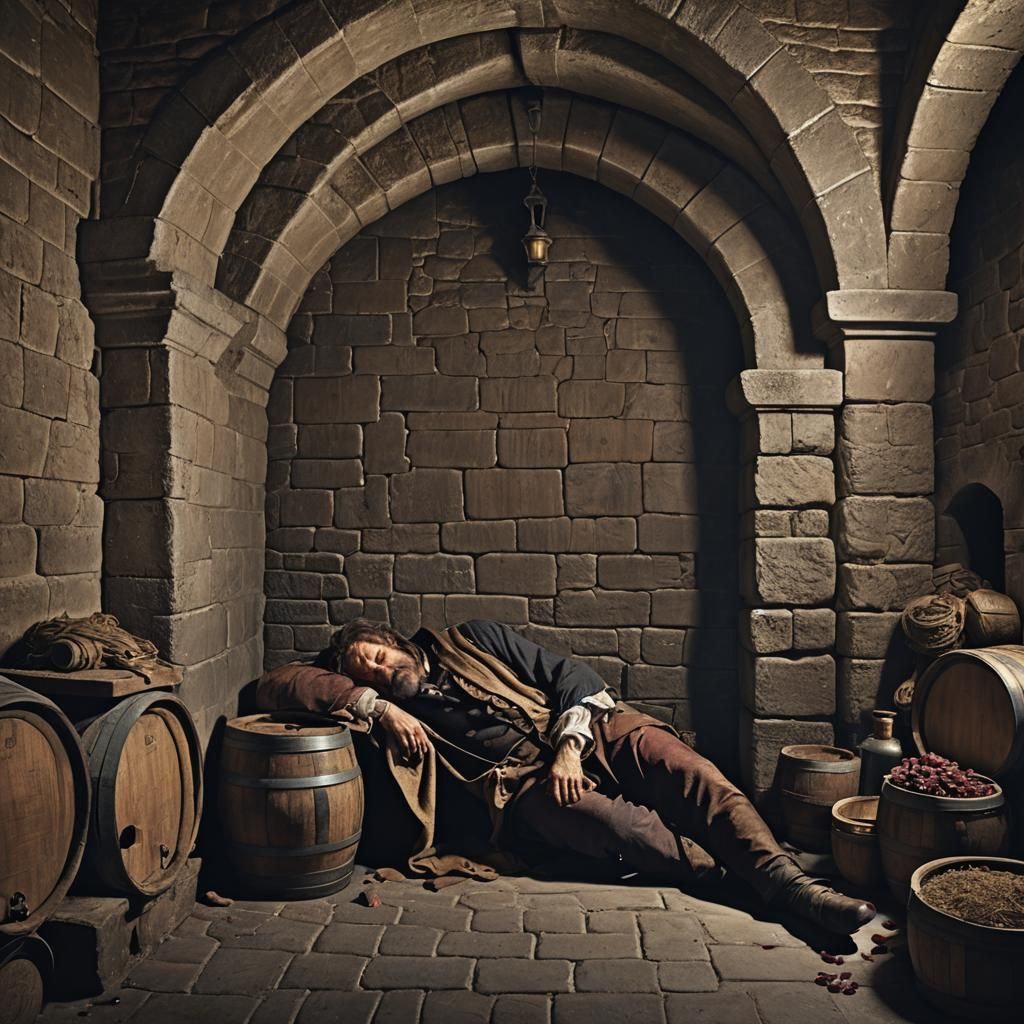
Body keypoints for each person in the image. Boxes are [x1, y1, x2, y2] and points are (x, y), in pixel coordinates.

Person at [258, 617, 875, 934]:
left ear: (395, 641)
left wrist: (571, 746)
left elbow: (568, 674)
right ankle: (749, 882)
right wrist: (378, 707)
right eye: (363, 672)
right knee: (626, 833)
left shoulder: (471, 637)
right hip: (522, 784)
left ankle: (789, 884)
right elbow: (277, 683)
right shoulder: (387, 703)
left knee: (690, 774)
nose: (376, 669)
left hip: (589, 732)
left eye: (378, 655)